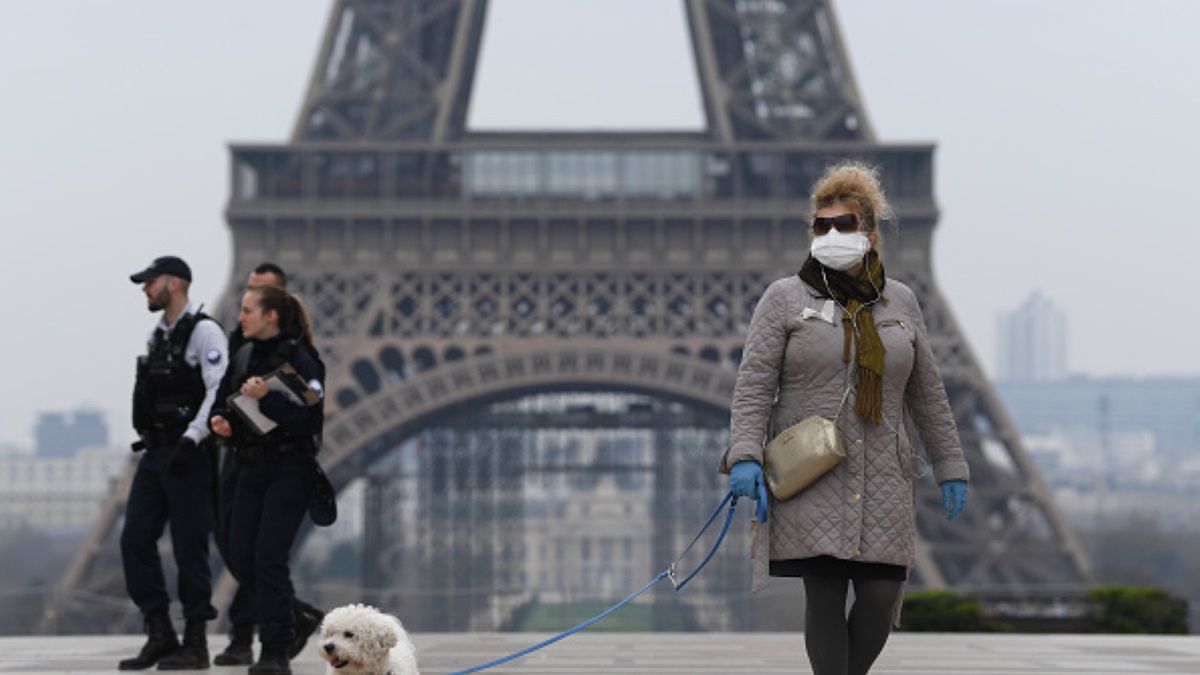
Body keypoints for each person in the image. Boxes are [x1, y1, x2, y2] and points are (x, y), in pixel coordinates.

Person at [720, 162, 970, 675]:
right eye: (821, 226)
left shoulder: (901, 300)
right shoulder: (784, 298)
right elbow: (754, 385)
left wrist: (951, 465)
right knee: (826, 594)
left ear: (871, 235)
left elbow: (927, 392)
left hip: (883, 472)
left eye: (845, 225)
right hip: (813, 470)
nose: (832, 235)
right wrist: (744, 455)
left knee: (882, 595)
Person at [212, 263, 325, 667]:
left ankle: (275, 649)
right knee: (240, 554)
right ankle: (294, 616)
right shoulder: (242, 355)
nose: (239, 317)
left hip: (288, 471)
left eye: (247, 310)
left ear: (270, 315)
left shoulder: (302, 359)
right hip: (249, 468)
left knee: (268, 558)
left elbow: (311, 420)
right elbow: (225, 401)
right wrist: (223, 423)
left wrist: (268, 399)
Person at [120, 256, 228, 670]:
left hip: (188, 454)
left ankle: (196, 641)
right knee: (134, 538)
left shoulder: (204, 332)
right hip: (156, 452)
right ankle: (160, 630)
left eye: (150, 281)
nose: (145, 289)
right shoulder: (159, 336)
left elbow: (218, 391)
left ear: (175, 283)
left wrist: (192, 439)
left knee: (189, 549)